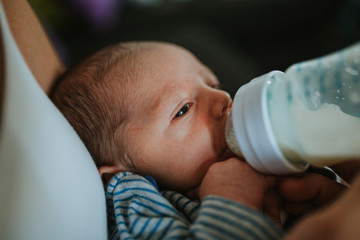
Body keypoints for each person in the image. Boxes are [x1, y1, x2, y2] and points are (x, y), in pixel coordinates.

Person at [50, 41, 347, 239]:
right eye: (182, 110)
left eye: (212, 84)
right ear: (123, 173)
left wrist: (336, 200)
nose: (222, 99)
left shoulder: (255, 163)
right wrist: (232, 202)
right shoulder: (133, 201)